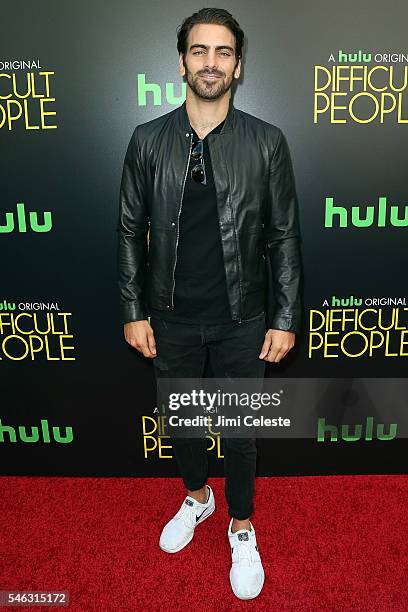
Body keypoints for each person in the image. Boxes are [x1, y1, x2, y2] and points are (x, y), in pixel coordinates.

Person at [117, 7, 302, 600]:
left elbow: (284, 237)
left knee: (242, 434)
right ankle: (197, 499)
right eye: (199, 51)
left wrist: (284, 316)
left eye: (223, 52)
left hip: (243, 320)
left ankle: (241, 527)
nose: (211, 62)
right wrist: (133, 309)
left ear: (238, 66)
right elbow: (128, 231)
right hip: (169, 317)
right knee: (185, 425)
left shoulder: (266, 143)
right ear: (181, 62)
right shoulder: (147, 141)